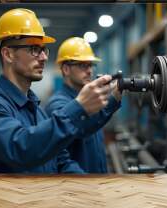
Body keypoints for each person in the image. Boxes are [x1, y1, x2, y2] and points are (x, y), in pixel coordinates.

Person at [0, 9, 113, 173]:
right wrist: (78, 107)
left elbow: (61, 160)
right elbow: (22, 148)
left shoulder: (38, 112)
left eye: (44, 50)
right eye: (34, 49)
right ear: (8, 54)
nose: (43, 57)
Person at [45, 37, 122, 173]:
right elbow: (82, 128)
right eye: (83, 65)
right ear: (66, 69)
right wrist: (113, 100)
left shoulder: (91, 101)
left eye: (91, 65)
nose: (89, 71)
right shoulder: (57, 105)